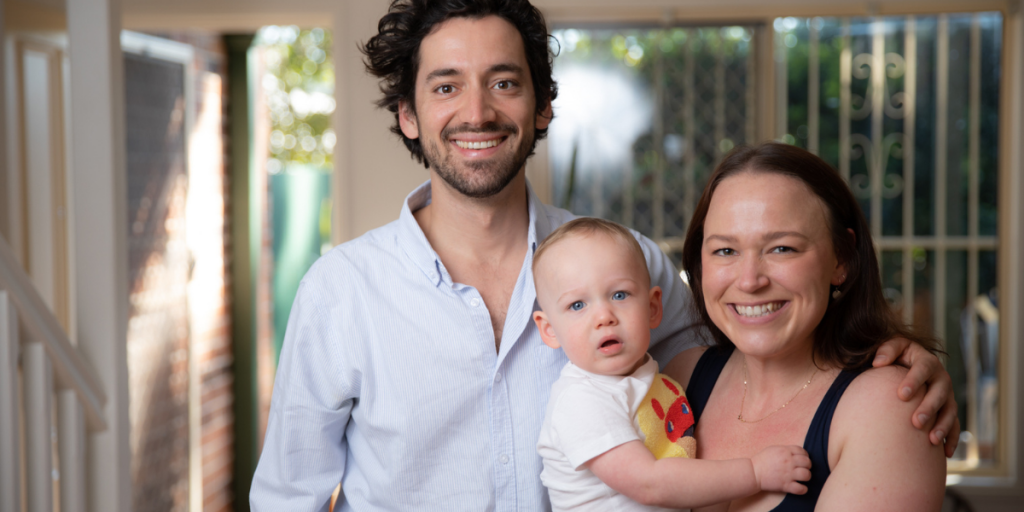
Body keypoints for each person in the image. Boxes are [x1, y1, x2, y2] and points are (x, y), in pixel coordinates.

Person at [249, 1, 958, 510]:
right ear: (407, 115)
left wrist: (889, 357)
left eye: (504, 81)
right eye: (445, 86)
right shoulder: (341, 292)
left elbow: (755, 345)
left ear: (543, 107)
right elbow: (289, 498)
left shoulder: (634, 267)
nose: (477, 111)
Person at [663, 142, 947, 511]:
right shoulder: (678, 379)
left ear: (841, 258)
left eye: (782, 248)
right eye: (725, 251)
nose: (749, 281)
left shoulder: (889, 407)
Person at [532, 217, 812, 511]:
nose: (604, 316)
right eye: (577, 305)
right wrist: (755, 473)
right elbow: (650, 484)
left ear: (653, 307)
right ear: (549, 330)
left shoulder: (654, 379)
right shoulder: (582, 401)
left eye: (619, 294)